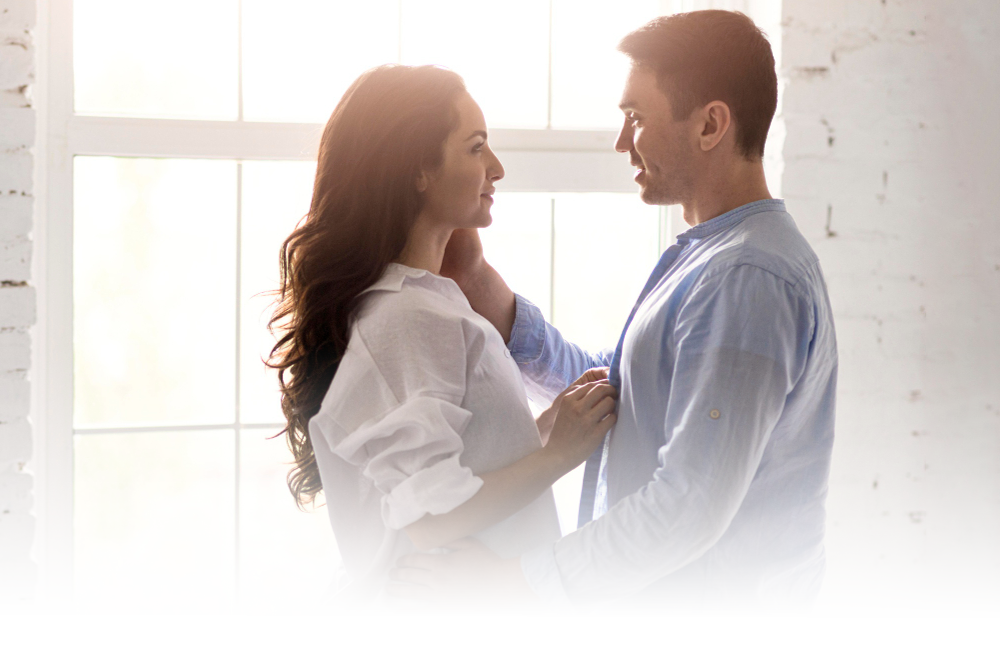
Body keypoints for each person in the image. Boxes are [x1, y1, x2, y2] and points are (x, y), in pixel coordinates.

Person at [386, 10, 839, 618]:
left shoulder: (746, 277)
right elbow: (621, 389)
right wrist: (487, 293)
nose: (623, 141)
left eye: (637, 118)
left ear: (710, 124)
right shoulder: (713, 257)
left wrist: (504, 582)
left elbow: (687, 508)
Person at [265, 64, 618, 617]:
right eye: (476, 148)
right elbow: (430, 518)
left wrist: (547, 430)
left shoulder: (426, 303)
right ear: (418, 171)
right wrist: (557, 455)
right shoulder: (406, 315)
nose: (496, 168)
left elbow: (454, 468)